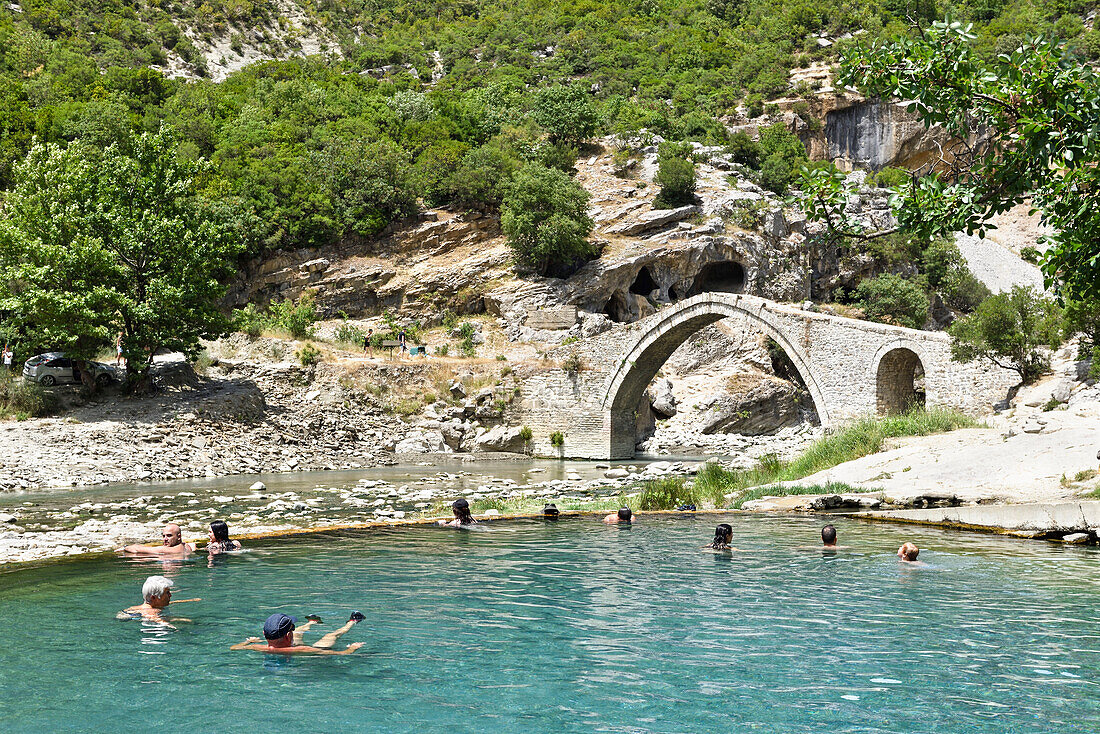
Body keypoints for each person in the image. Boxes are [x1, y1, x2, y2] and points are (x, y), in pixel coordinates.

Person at [231, 612, 365, 655]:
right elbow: (342, 654)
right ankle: (353, 621)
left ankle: (312, 622)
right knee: (331, 636)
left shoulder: (256, 647)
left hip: (285, 645)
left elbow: (234, 647)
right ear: (288, 635)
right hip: (301, 650)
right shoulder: (304, 649)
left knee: (299, 633)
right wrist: (352, 647)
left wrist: (249, 642)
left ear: (264, 633)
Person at [116, 575, 200, 626]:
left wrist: (189, 600)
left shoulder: (151, 605)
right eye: (167, 593)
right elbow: (157, 620)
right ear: (153, 598)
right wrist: (175, 628)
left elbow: (172, 602)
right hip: (127, 619)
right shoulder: (150, 611)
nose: (170, 595)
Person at [118, 523, 195, 557]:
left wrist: (125, 547)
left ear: (179, 536)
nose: (165, 539)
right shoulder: (187, 546)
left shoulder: (166, 550)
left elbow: (137, 550)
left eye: (169, 536)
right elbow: (192, 545)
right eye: (163, 536)